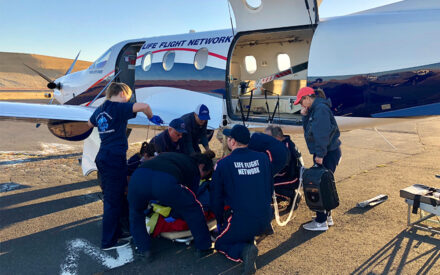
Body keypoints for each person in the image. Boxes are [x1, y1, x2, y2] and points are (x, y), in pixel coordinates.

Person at [87, 82, 163, 250]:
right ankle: (108, 242)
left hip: (103, 156)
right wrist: (151, 117)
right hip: (114, 158)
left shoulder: (101, 109)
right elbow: (144, 106)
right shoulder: (117, 107)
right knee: (112, 201)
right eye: (127, 98)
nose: (128, 101)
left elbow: (89, 123)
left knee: (116, 196)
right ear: (122, 94)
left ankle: (119, 232)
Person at [128, 152, 215, 262]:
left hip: (138, 178)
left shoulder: (175, 156)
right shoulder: (193, 169)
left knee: (136, 213)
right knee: (193, 209)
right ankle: (204, 247)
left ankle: (143, 250)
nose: (202, 177)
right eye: (205, 174)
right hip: (164, 182)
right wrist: (175, 214)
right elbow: (190, 198)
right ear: (201, 166)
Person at [211, 125, 273, 275]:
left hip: (240, 220)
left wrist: (220, 221)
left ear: (232, 141)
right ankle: (250, 237)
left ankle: (244, 251)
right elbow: (270, 188)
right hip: (265, 218)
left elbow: (216, 198)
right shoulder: (263, 158)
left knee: (220, 243)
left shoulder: (223, 164)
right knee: (245, 230)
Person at [294, 86, 342, 231]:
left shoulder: (320, 109)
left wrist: (320, 155)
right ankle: (327, 217)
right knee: (325, 184)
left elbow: (321, 135)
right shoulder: (317, 108)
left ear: (307, 98)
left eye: (301, 102)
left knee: (319, 185)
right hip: (329, 151)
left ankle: (321, 221)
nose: (301, 105)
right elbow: (310, 129)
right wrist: (305, 115)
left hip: (326, 152)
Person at [264, 125, 304, 210]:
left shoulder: (285, 148)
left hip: (293, 177)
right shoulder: (285, 142)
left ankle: (293, 196)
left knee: (268, 185)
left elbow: (283, 169)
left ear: (277, 137)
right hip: (289, 174)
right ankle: (282, 196)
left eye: (268, 137)